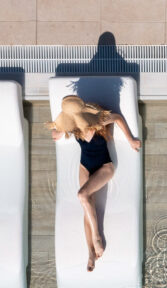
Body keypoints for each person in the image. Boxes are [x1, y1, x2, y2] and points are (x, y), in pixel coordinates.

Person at [45, 95, 142, 272]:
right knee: (85, 205)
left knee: (82, 195)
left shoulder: (97, 119)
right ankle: (90, 253)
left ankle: (97, 237)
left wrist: (130, 140)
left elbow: (118, 118)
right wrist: (61, 128)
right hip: (85, 167)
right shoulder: (72, 126)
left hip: (105, 166)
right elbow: (54, 134)